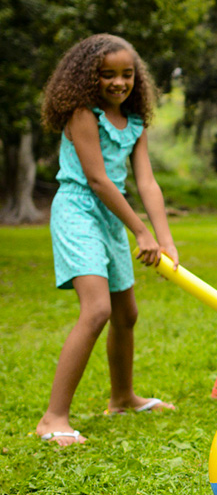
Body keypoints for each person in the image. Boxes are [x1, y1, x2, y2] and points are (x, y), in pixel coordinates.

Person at [36, 34, 179, 448]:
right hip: (79, 210)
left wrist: (165, 240)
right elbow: (98, 180)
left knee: (126, 312)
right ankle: (53, 418)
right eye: (108, 75)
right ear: (88, 77)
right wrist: (140, 230)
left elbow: (147, 182)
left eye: (127, 74)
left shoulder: (134, 123)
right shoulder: (84, 114)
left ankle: (122, 398)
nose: (119, 82)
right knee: (97, 309)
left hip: (112, 217)